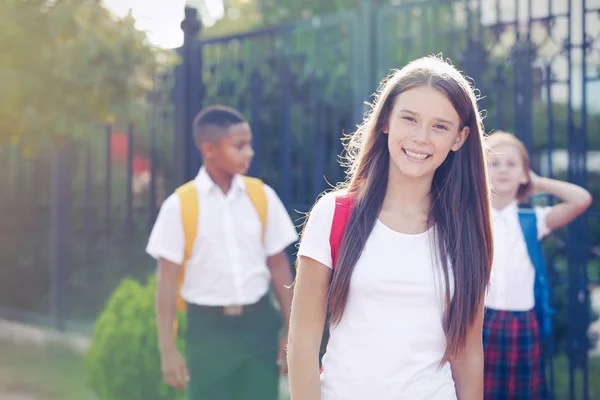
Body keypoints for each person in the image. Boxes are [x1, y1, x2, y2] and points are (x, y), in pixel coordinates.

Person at [287, 55, 494, 400]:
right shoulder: (334, 214)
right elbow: (303, 344)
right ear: (385, 121)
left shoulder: (467, 231)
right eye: (409, 119)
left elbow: (468, 354)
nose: (421, 137)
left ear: (460, 138)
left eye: (440, 126)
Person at [146, 105, 299, 400]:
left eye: (249, 144)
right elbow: (166, 282)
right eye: (239, 146)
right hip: (208, 333)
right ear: (209, 149)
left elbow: (279, 266)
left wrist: (291, 330)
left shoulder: (261, 196)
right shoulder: (180, 206)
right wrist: (168, 350)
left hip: (259, 328)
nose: (249, 152)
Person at [483, 131, 592, 399]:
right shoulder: (472, 217)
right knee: (479, 390)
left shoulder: (535, 219)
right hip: (481, 320)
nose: (503, 170)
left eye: (512, 164)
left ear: (524, 174)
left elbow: (581, 200)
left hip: (522, 319)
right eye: (494, 163)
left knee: (523, 392)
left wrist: (538, 182)